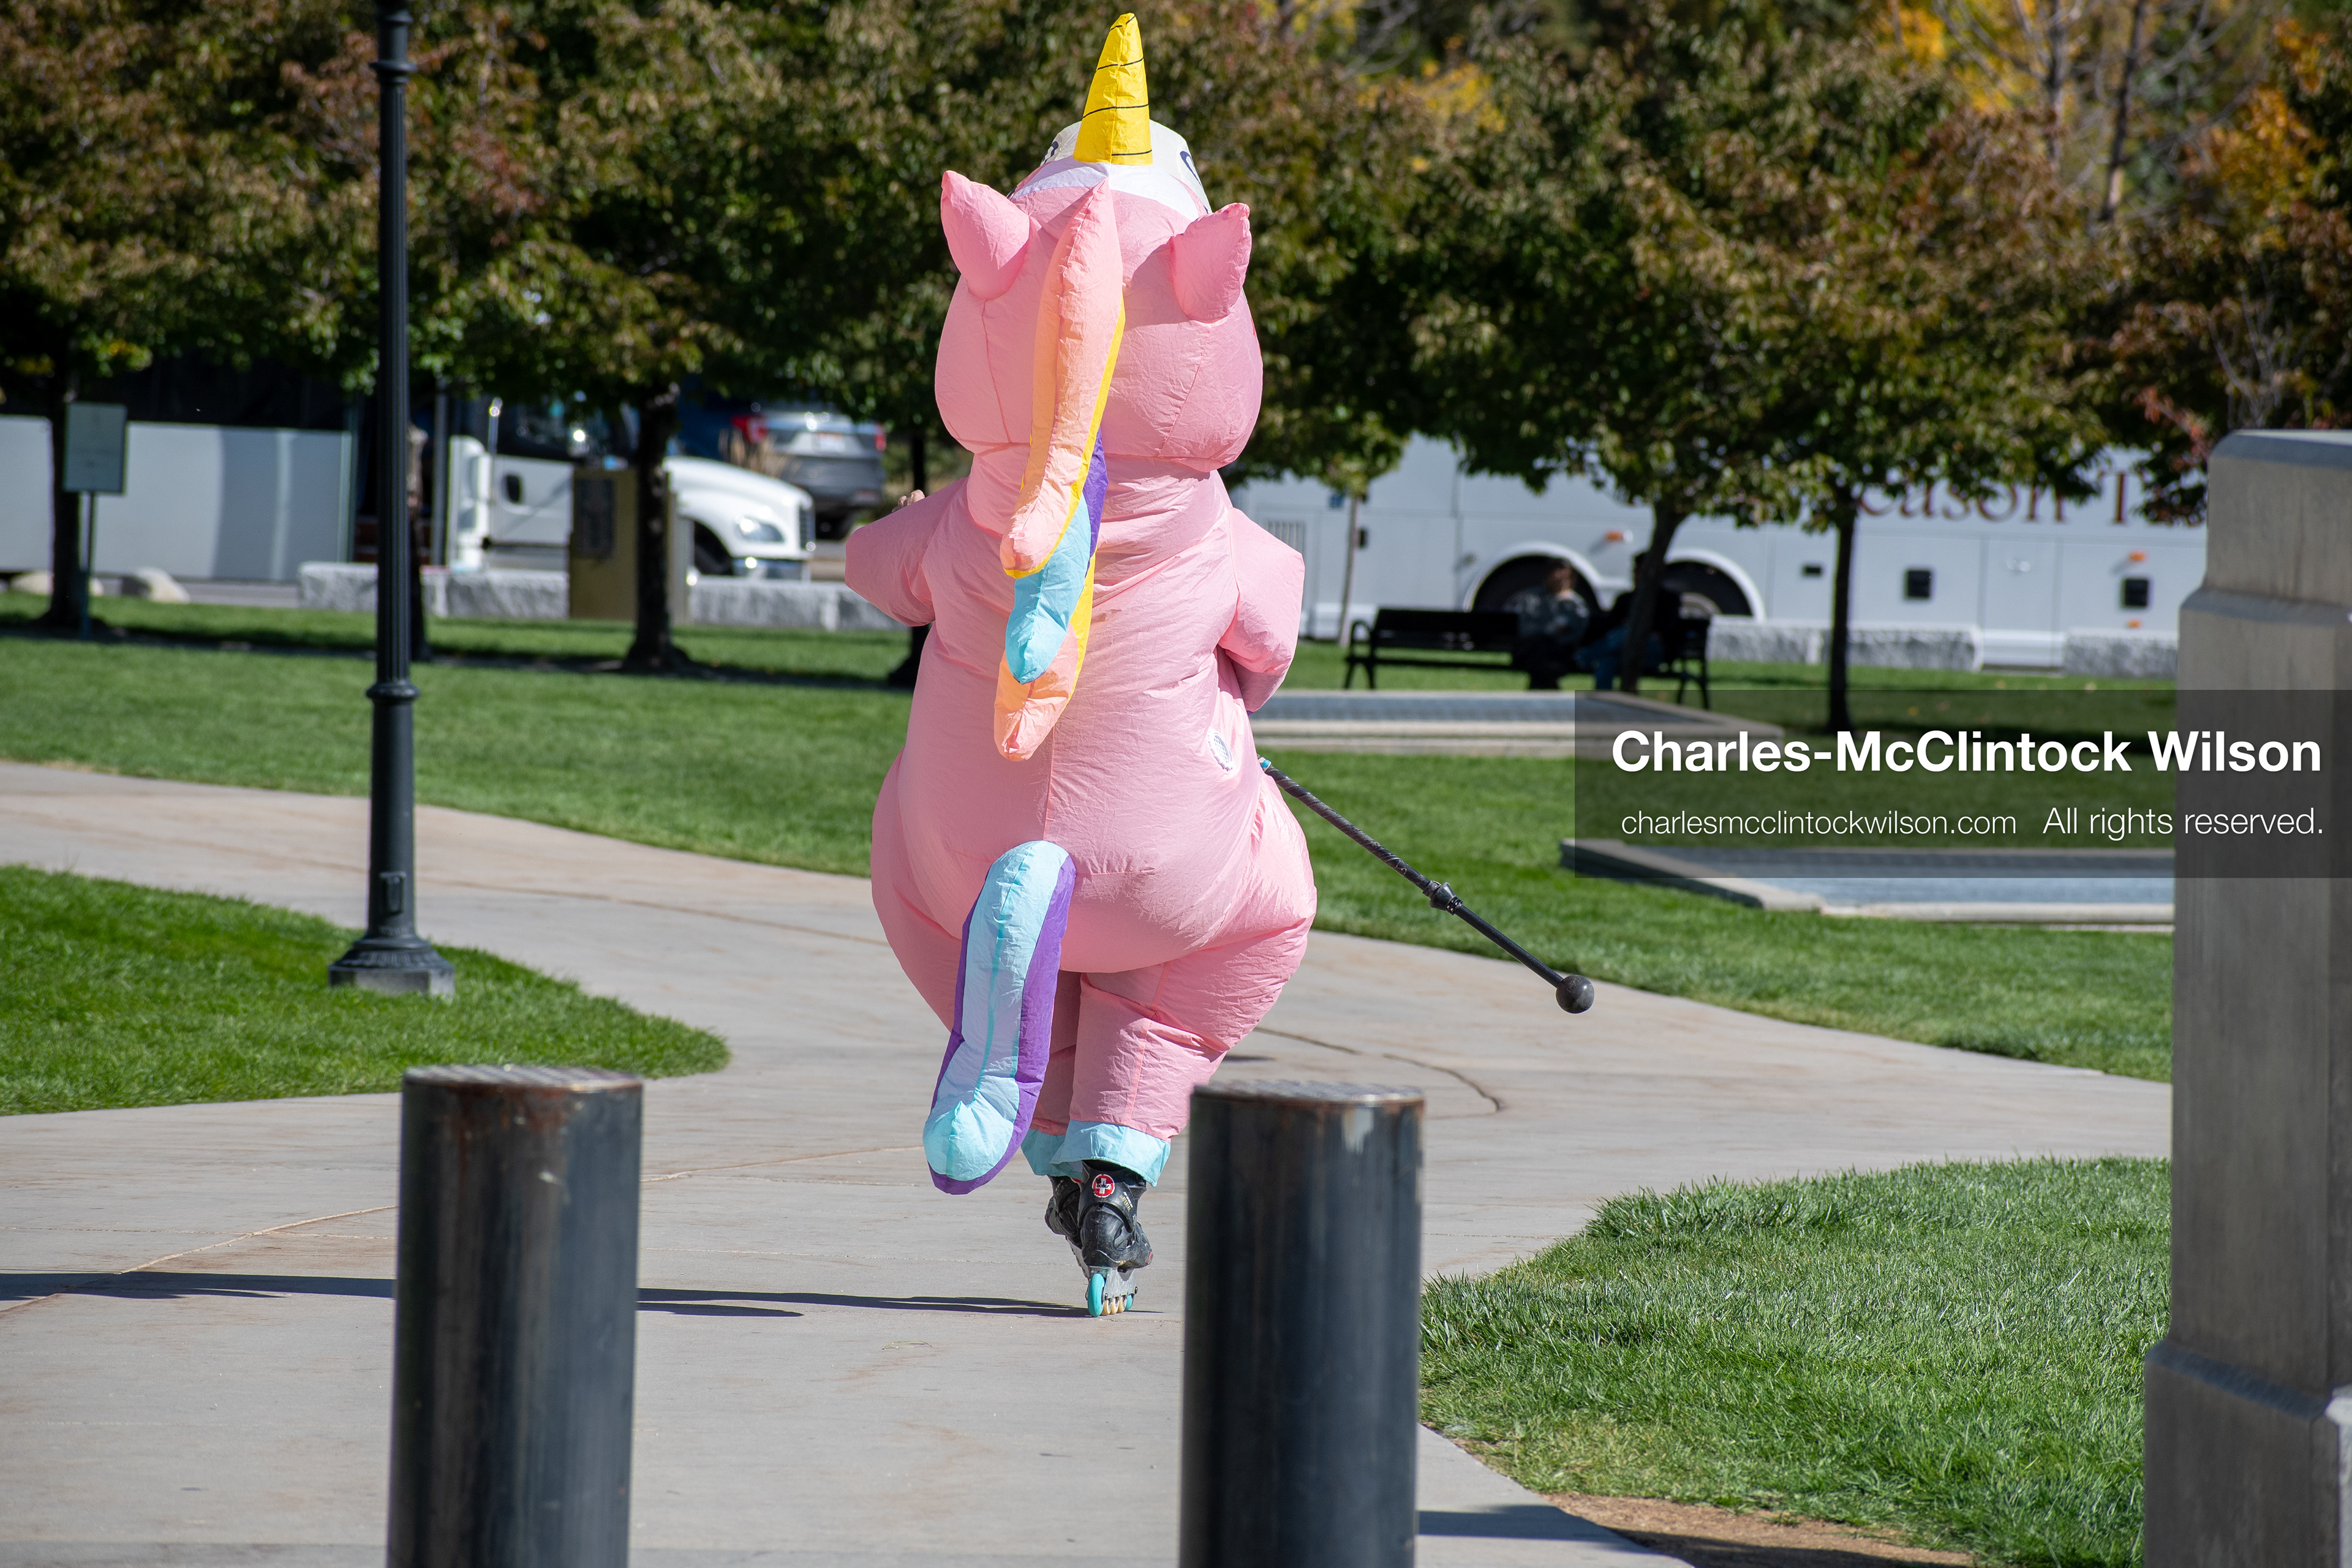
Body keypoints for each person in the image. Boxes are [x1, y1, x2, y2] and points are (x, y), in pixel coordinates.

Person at [1504, 562, 1591, 690]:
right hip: (1531, 650)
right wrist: (1551, 632)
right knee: (1542, 652)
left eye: (1564, 579)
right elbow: (1526, 629)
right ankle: (1549, 697)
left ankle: (1540, 698)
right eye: (1555, 577)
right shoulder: (1533, 597)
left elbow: (1578, 635)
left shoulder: (1575, 605)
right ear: (1547, 576)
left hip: (1559, 653)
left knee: (1545, 659)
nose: (1559, 581)